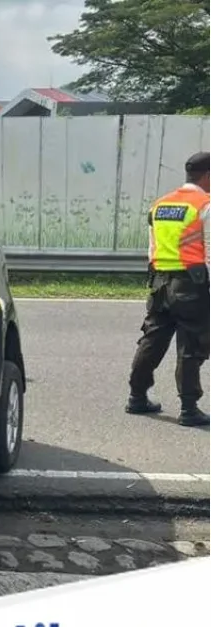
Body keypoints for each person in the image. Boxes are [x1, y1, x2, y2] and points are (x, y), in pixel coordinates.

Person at [125, 151, 210, 427]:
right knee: (190, 346)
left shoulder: (160, 205)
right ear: (207, 176)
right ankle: (188, 408)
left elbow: (151, 248)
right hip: (191, 286)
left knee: (152, 340)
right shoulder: (205, 205)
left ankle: (137, 396)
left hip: (159, 283)